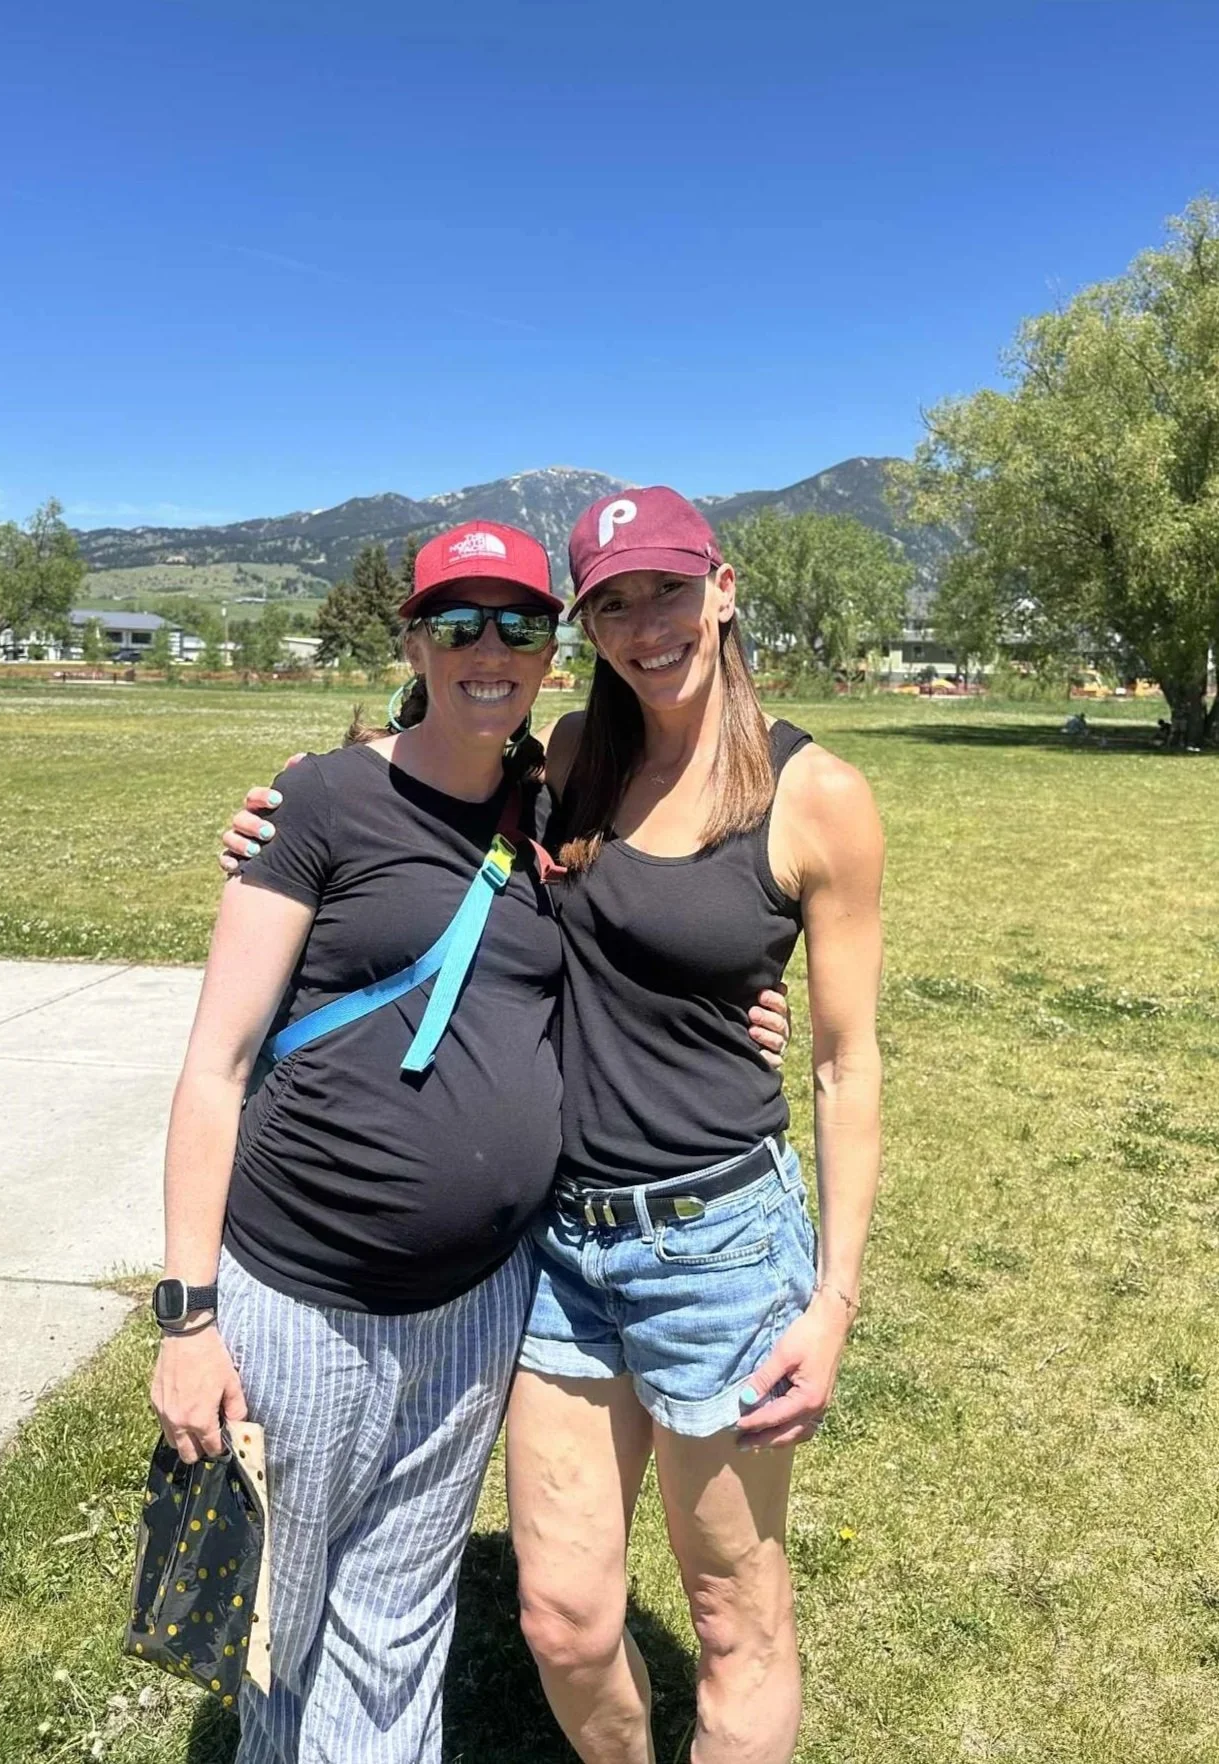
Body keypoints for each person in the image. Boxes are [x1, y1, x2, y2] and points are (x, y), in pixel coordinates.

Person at [220, 489, 878, 1764]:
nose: (648, 626)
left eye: (669, 590)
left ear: (724, 588)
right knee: (565, 1619)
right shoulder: (571, 754)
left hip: (721, 1247)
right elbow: (422, 801)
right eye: (614, 603)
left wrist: (836, 1298)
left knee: (734, 1617)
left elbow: (850, 1067)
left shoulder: (818, 796)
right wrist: (275, 824)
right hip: (562, 1251)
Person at [150, 520, 570, 1764]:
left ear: (552, 652)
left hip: (480, 1303)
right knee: (285, 1623)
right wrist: (186, 1320)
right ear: (414, 643)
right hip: (305, 1299)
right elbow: (214, 1069)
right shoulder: (322, 798)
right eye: (457, 623)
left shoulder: (550, 813)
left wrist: (747, 1013)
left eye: (519, 624)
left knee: (398, 1626)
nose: (488, 650)